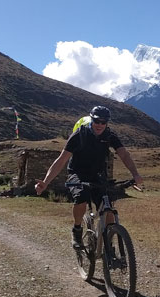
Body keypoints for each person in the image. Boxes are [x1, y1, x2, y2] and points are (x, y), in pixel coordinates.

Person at [35, 105, 143, 247]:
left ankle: (109, 248)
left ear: (107, 123)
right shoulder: (79, 135)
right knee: (81, 199)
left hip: (98, 175)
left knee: (108, 209)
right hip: (77, 173)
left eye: (103, 122)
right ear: (91, 120)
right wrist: (46, 182)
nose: (99, 125)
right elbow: (61, 160)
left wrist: (135, 174)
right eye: (96, 121)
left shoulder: (109, 136)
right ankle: (77, 229)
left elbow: (124, 154)